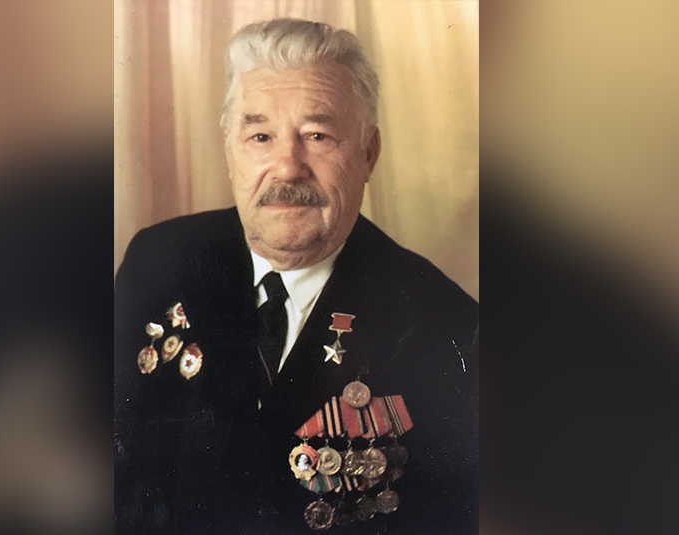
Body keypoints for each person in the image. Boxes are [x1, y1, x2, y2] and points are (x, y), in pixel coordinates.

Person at [114, 19, 478, 534]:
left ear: (368, 153)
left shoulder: (446, 328)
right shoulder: (157, 259)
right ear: (230, 150)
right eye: (260, 136)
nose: (287, 167)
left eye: (317, 135)